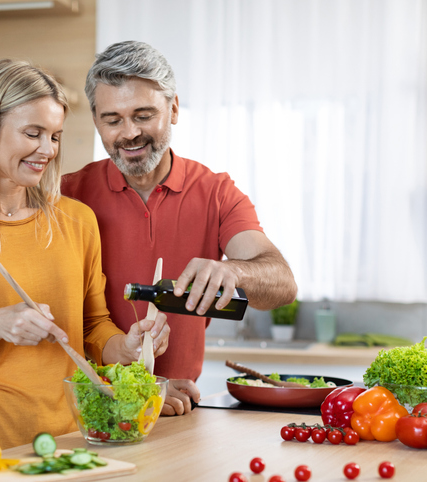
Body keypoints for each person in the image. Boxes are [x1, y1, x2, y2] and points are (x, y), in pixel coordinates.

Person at [0, 59, 170, 451]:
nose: (48, 150)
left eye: (55, 136)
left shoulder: (77, 221)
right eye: (33, 133)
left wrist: (125, 347)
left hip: (70, 444)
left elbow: (92, 329)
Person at [62, 41, 298, 416]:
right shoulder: (68, 194)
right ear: (95, 120)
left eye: (143, 115)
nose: (128, 134)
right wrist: (139, 387)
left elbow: (282, 285)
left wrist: (233, 270)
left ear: (173, 109)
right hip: (84, 411)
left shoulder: (216, 192)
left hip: (174, 412)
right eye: (113, 120)